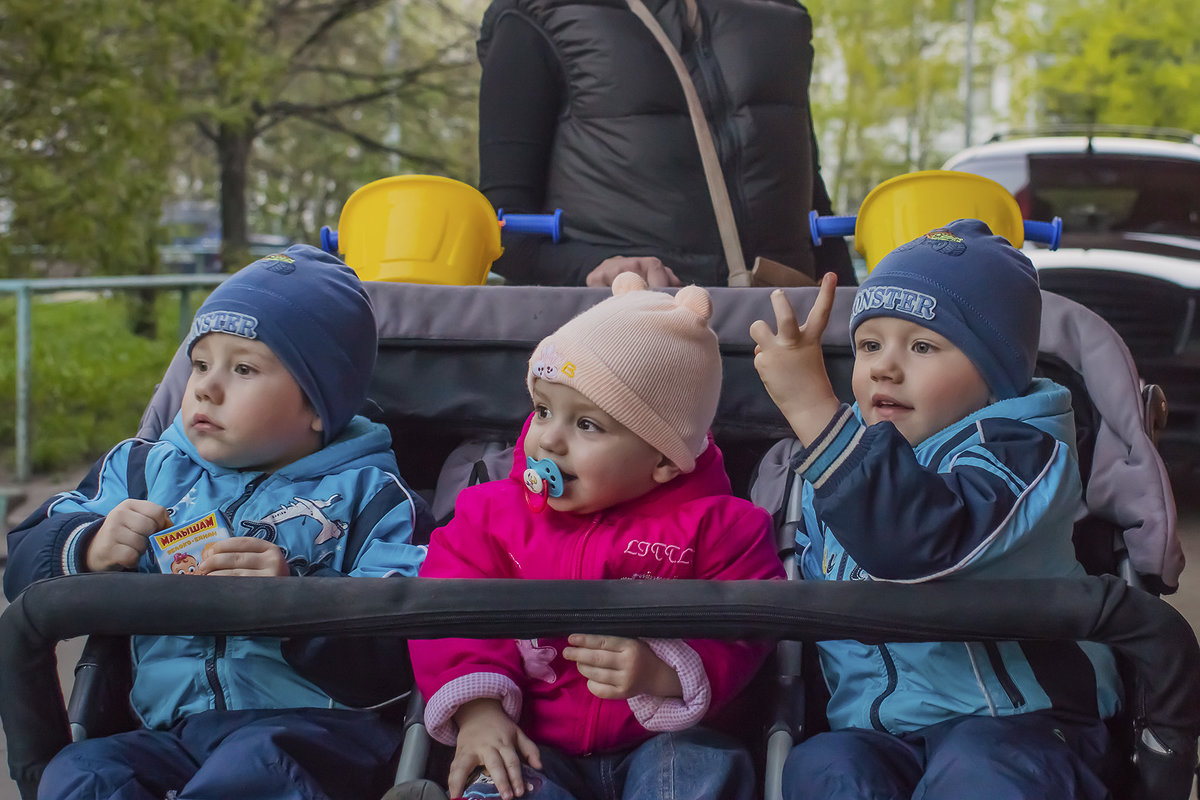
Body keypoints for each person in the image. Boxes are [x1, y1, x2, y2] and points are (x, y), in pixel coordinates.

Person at [3, 244, 431, 800]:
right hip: (166, 732)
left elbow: (404, 646)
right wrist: (87, 546)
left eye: (244, 368)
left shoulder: (372, 498)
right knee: (79, 772)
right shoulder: (141, 470)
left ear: (319, 405)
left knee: (256, 769)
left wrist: (299, 601)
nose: (206, 385)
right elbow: (23, 565)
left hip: (316, 732)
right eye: (200, 363)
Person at [749, 219, 1122, 799]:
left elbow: (919, 541)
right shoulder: (828, 465)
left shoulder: (1022, 452)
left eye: (922, 346)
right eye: (869, 345)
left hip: (1021, 725)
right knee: (825, 766)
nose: (883, 367)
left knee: (980, 769)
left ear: (996, 375)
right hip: (877, 731)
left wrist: (814, 408)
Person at [408, 273, 786, 800]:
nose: (550, 441)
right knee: (501, 779)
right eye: (543, 411)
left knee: (701, 767)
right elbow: (445, 609)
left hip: (667, 737)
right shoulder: (490, 516)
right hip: (535, 739)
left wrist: (665, 671)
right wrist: (480, 711)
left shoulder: (725, 530)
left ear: (662, 461)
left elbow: (749, 628)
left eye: (587, 425)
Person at [476, 0, 855, 289]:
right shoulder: (537, 13)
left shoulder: (778, 13)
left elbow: (809, 203)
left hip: (789, 342)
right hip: (619, 345)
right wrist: (595, 268)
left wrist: (860, 322)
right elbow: (497, 226)